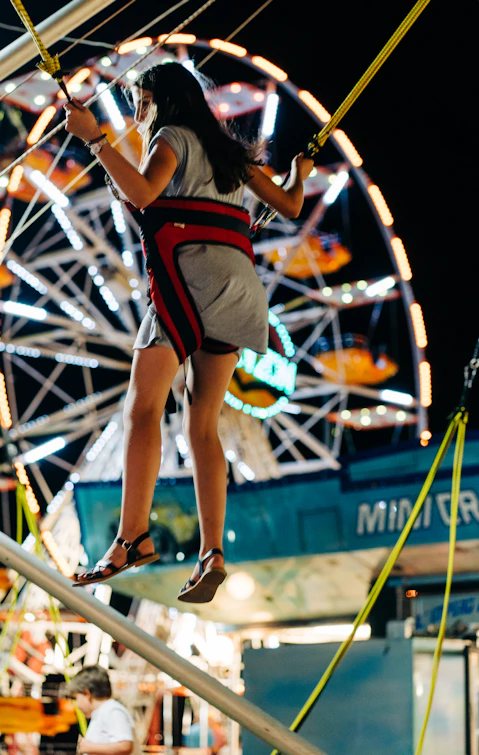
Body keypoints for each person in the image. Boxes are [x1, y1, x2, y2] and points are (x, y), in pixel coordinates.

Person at [64, 61, 314, 603]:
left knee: (142, 408)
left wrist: (96, 140)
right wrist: (299, 172)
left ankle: (131, 537)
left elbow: (145, 193)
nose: (136, 109)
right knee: (203, 425)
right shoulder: (231, 155)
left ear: (158, 98)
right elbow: (292, 204)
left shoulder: (170, 137)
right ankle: (212, 551)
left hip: (187, 279)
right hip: (240, 295)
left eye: (139, 98)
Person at [68, 665, 137, 755]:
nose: (76, 704)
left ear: (87, 693)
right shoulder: (102, 712)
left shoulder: (112, 711)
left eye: (76, 698)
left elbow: (125, 745)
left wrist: (89, 747)